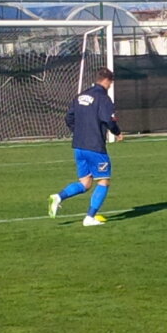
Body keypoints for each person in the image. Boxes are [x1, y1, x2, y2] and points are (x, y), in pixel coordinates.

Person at [48, 67, 123, 226]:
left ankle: (59, 197)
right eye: (110, 83)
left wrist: (79, 131)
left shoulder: (80, 96)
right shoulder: (103, 99)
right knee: (104, 181)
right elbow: (109, 120)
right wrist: (117, 132)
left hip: (79, 146)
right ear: (108, 81)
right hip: (95, 146)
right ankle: (89, 217)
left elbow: (69, 117)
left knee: (85, 183)